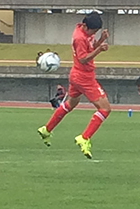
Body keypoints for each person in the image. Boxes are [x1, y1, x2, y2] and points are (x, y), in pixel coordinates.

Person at [37, 11, 111, 159]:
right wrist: (99, 50)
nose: (94, 34)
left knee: (70, 103)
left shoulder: (82, 30)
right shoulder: (79, 38)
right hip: (84, 77)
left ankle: (47, 129)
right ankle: (84, 138)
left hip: (76, 75)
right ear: (85, 26)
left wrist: (100, 40)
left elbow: (89, 48)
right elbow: (83, 58)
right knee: (105, 109)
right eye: (94, 31)